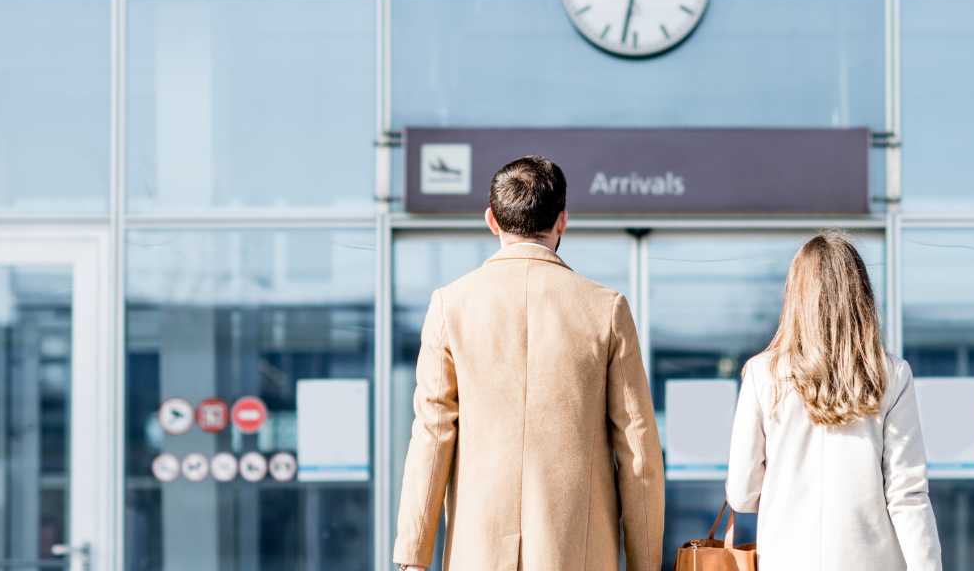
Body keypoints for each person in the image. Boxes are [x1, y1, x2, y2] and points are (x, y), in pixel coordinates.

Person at [394, 156, 665, 571]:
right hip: (579, 554)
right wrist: (645, 563)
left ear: (491, 220)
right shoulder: (605, 309)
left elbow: (431, 436)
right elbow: (638, 450)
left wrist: (413, 557)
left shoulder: (451, 305)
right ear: (562, 221)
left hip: (478, 553)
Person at [724, 231, 944, 571]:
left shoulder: (762, 374)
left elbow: (742, 494)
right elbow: (908, 496)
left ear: (796, 296)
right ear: (861, 297)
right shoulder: (891, 375)